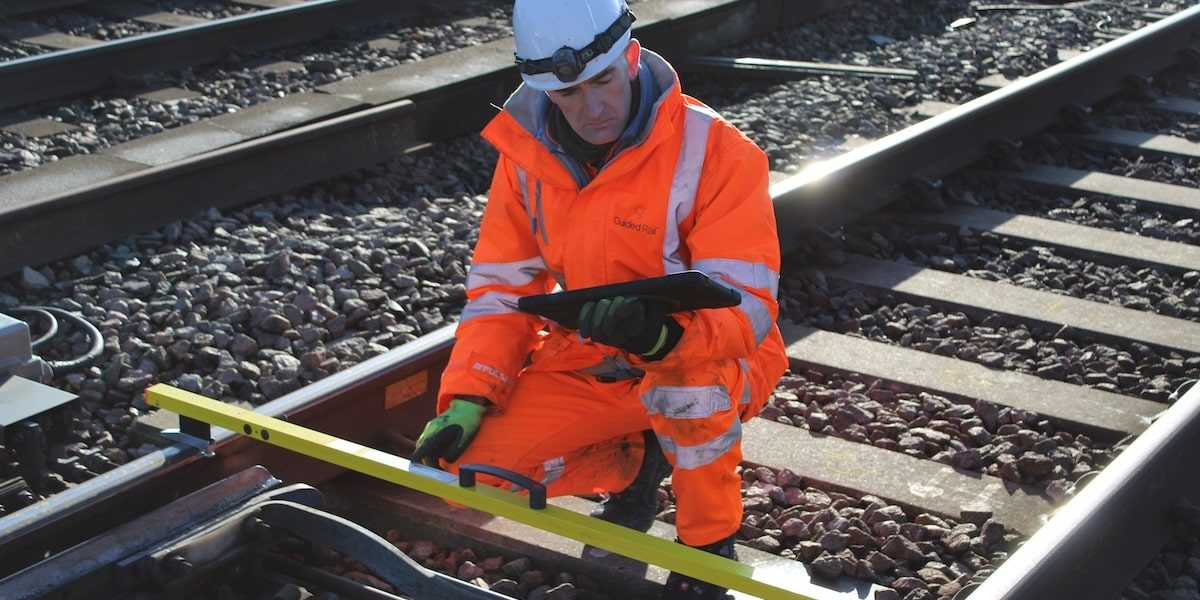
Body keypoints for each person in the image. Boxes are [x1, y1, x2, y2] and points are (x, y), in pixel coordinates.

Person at [412, 1, 788, 597]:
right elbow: (499, 293)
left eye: (603, 82)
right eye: (570, 95)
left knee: (686, 390)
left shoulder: (718, 150)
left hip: (711, 358)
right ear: (540, 89)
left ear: (631, 57)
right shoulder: (527, 159)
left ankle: (708, 550)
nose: (593, 109)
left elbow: (747, 305)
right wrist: (469, 396)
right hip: (593, 357)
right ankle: (638, 462)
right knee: (469, 475)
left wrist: (662, 338)